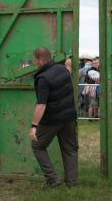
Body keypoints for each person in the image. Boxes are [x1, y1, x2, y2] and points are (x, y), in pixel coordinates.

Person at [29, 47, 78, 189]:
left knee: (37, 146)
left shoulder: (42, 78)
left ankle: (52, 180)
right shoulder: (62, 70)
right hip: (69, 117)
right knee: (70, 149)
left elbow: (41, 104)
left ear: (38, 60)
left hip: (52, 119)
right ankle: (72, 183)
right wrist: (68, 64)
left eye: (34, 60)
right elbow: (68, 71)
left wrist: (34, 126)